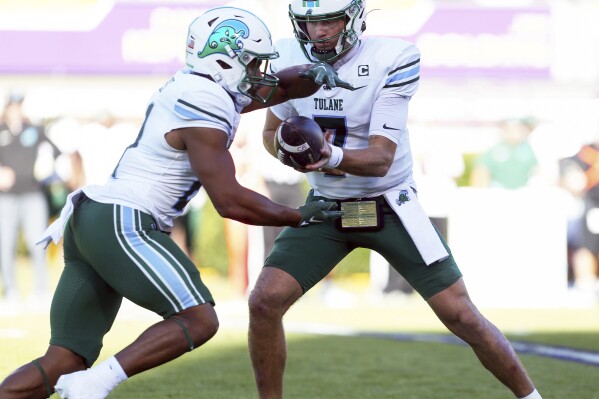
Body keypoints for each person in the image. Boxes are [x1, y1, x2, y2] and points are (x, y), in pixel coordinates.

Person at [0, 6, 351, 399]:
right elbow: (229, 200)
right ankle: (95, 385)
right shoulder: (205, 101)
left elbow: (277, 88)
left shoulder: (201, 86)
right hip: (123, 220)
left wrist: (312, 77)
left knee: (64, 360)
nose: (258, 71)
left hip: (94, 218)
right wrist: (297, 214)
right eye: (250, 61)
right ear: (223, 59)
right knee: (199, 319)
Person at [247, 1, 543, 399]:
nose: (317, 33)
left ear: (353, 19)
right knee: (264, 301)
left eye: (329, 21)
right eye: (308, 24)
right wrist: (287, 153)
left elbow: (381, 158)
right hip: (327, 206)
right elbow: (271, 131)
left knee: (461, 315)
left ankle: (531, 397)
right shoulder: (286, 53)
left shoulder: (393, 57)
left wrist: (328, 156)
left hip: (388, 205)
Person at [0, 91, 60, 307]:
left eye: (20, 105)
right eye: (12, 105)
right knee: (5, 244)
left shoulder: (35, 130)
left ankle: (41, 291)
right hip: (6, 198)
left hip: (33, 195)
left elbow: (56, 152)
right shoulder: (1, 131)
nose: (16, 109)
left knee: (38, 243)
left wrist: (46, 163)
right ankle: (10, 291)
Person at [470, 117, 540, 189]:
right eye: (510, 129)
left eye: (517, 129)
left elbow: (536, 169)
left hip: (521, 190)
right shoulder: (496, 149)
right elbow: (481, 169)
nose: (514, 132)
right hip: (499, 190)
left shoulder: (526, 148)